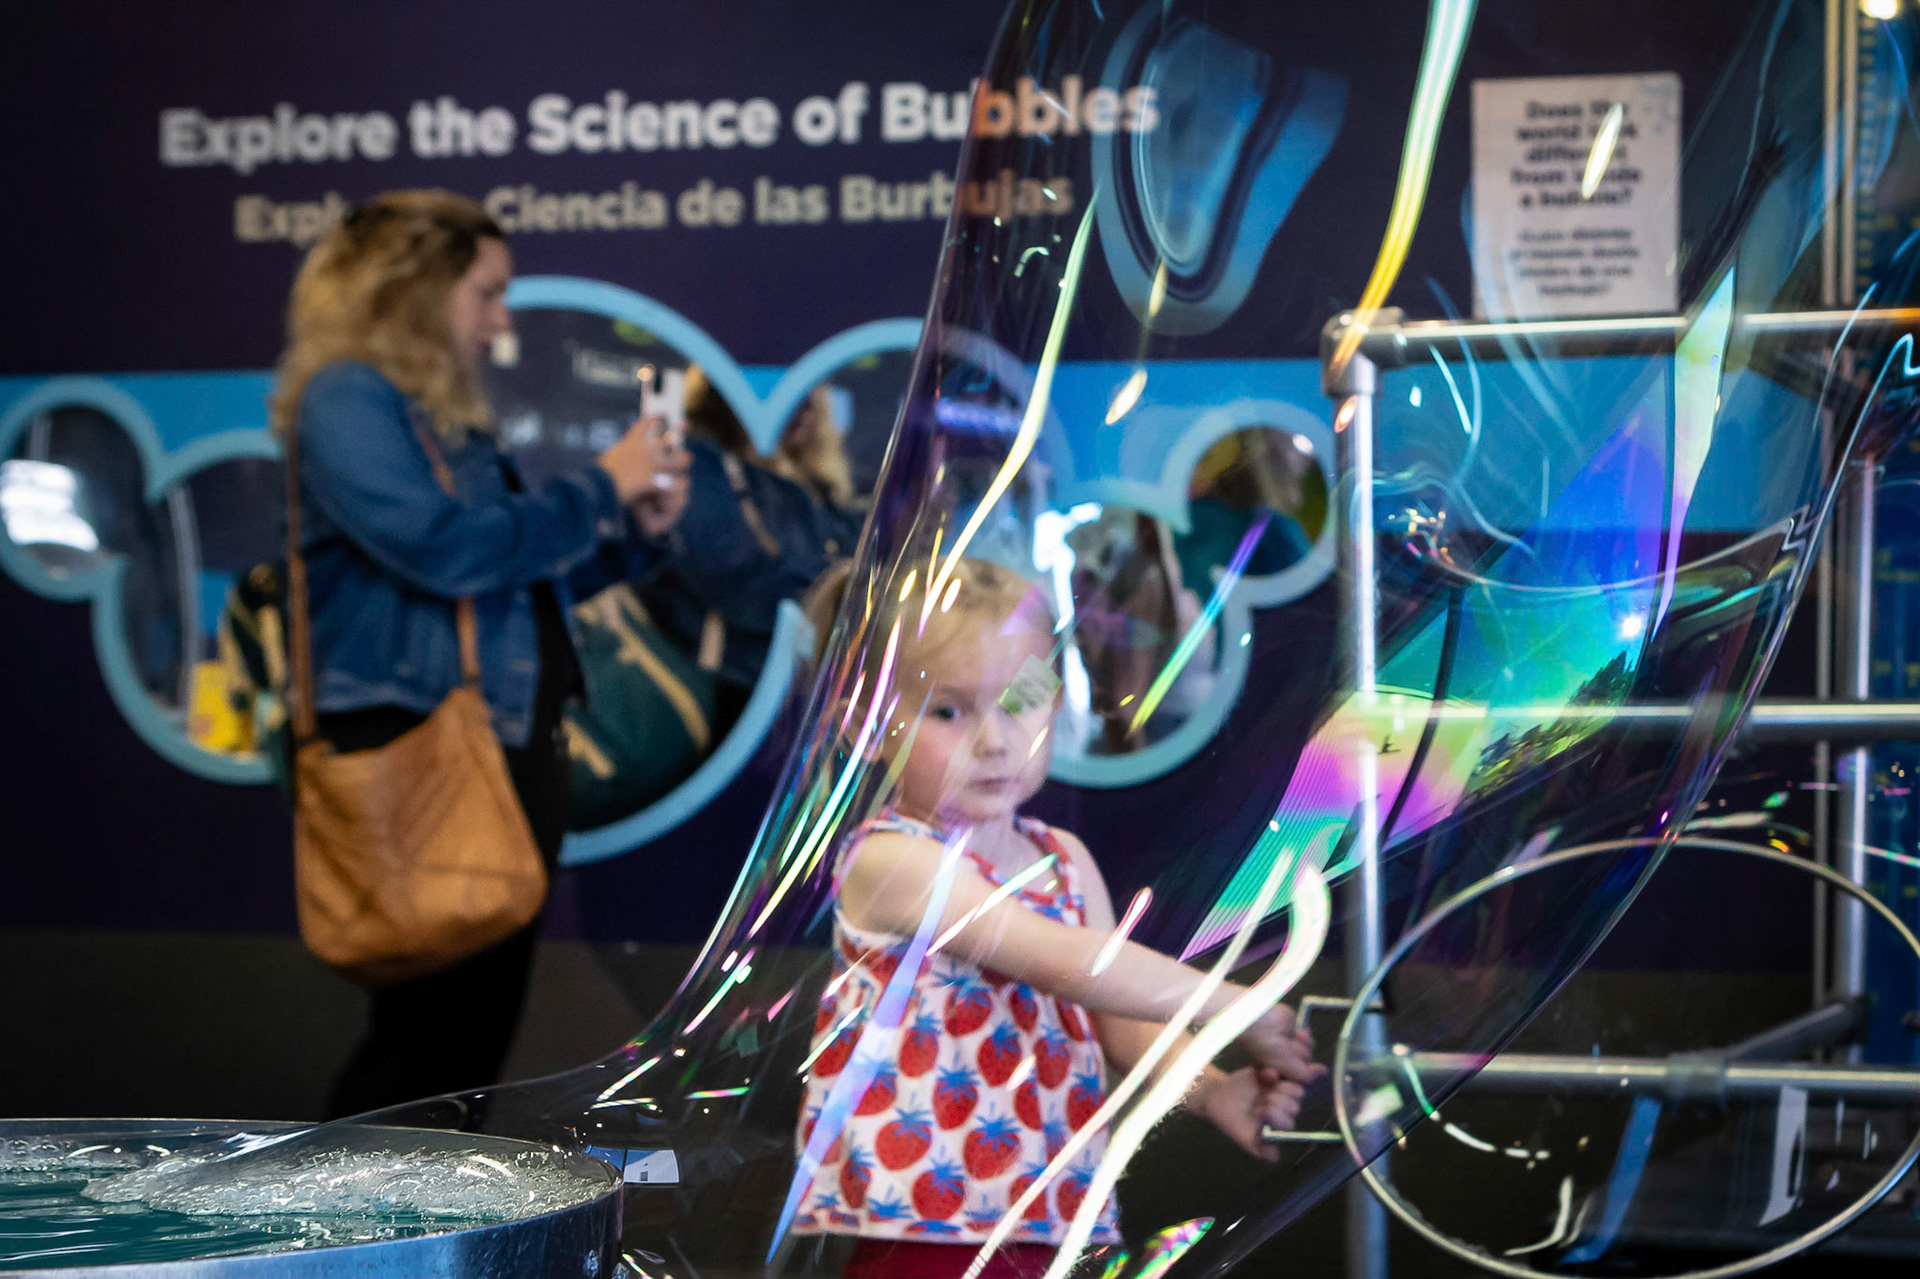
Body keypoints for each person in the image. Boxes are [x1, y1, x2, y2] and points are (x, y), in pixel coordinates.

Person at [269, 189, 691, 1118]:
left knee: (464, 1043)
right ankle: (364, 1248)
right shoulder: (349, 397)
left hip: (499, 745)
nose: (500, 323)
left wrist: (636, 531)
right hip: (426, 741)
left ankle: (411, 1239)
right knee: (431, 1044)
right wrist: (600, 484)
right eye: (487, 292)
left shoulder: (436, 418)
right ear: (417, 288)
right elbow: (444, 545)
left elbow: (512, 578)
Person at [789, 557, 1322, 1279]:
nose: (994, 739)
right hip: (925, 1225)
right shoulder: (890, 860)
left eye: (1020, 699)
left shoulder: (1063, 857)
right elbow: (1067, 960)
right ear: (866, 724)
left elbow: (1119, 1022)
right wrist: (1236, 1005)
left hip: (1049, 1217)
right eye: (947, 710)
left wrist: (1211, 1088)